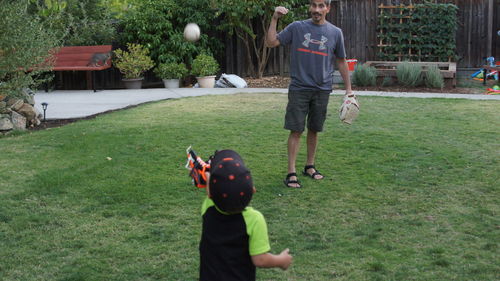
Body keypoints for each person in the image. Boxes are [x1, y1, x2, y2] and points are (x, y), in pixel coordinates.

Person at [265, 0, 353, 188]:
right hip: (299, 88)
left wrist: (349, 90)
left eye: (321, 6)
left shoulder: (335, 33)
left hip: (322, 89)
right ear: (309, 8)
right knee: (296, 130)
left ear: (328, 8)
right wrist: (274, 19)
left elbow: (341, 61)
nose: (316, 10)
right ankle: (291, 172)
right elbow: (270, 42)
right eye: (313, 5)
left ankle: (309, 166)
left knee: (314, 129)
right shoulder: (297, 28)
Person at [199, 149, 292, 281]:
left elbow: (210, 192)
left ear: (210, 195)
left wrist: (207, 174)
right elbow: (260, 260)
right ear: (253, 190)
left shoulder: (208, 208)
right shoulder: (254, 219)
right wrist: (281, 260)